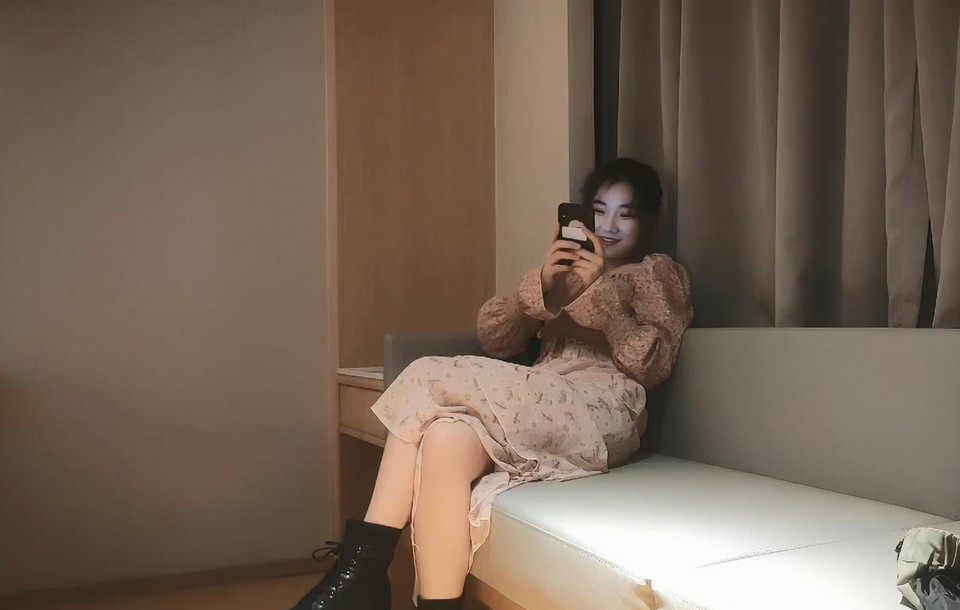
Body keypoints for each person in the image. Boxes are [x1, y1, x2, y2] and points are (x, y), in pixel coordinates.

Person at [289, 158, 694, 610]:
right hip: (541, 395)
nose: (610, 225)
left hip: (603, 403)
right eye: (599, 211)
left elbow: (652, 364)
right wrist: (546, 291)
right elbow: (493, 338)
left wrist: (601, 296)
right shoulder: (562, 273)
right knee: (443, 438)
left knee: (425, 372)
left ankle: (359, 575)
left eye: (626, 214)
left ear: (648, 221)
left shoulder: (655, 273)